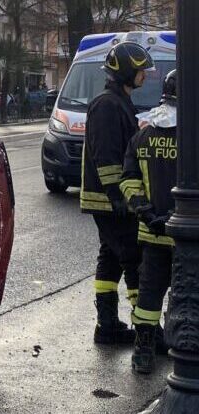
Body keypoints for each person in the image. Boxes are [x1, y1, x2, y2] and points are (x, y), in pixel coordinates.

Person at [81, 42, 154, 344]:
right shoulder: (107, 105)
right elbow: (108, 156)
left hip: (112, 199)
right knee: (133, 257)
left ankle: (107, 325)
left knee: (110, 257)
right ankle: (146, 331)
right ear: (125, 71)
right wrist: (117, 195)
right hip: (110, 200)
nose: (145, 76)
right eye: (140, 71)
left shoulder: (118, 101)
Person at [120, 69, 177, 374]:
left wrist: (145, 212)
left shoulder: (142, 136)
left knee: (149, 295)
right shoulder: (193, 136)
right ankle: (184, 348)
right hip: (187, 238)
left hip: (151, 234)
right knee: (188, 293)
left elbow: (128, 181)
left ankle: (143, 352)